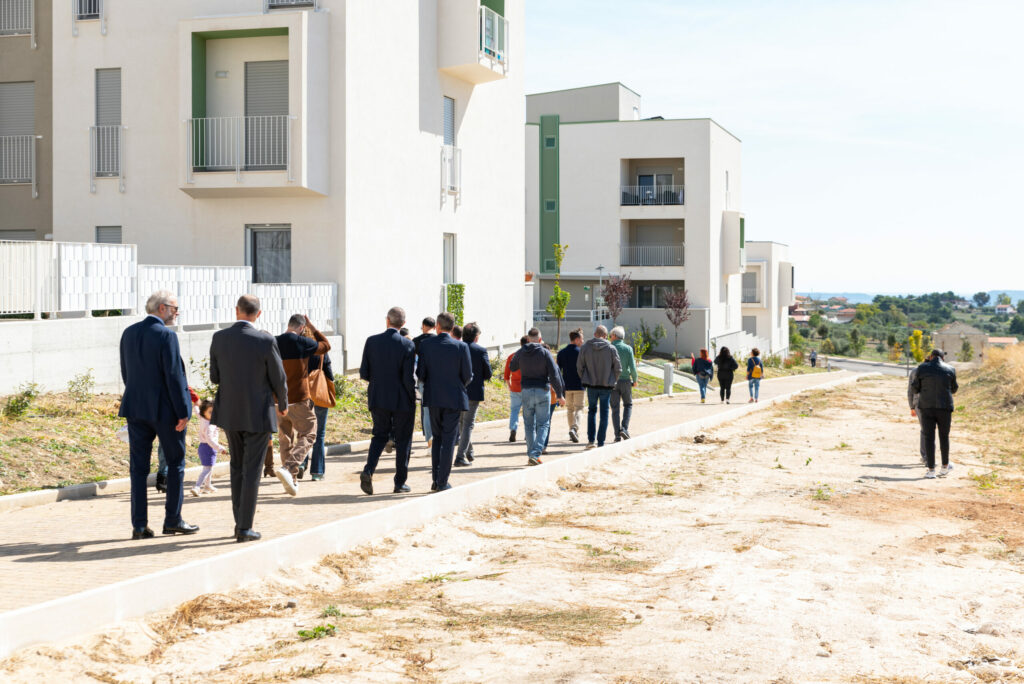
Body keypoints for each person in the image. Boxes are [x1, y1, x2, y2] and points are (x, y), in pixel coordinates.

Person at [119, 290, 198, 540]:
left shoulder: (129, 333)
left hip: (136, 409)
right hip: (166, 411)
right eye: (175, 308)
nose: (177, 313)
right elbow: (175, 377)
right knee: (175, 463)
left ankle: (139, 526)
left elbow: (126, 372)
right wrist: (184, 411)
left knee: (138, 469)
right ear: (162, 308)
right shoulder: (166, 335)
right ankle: (173, 520)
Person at [209, 294, 289, 543]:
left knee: (237, 467)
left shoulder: (219, 338)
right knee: (252, 470)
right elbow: (279, 377)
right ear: (259, 314)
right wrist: (283, 403)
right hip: (257, 412)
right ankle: (244, 528)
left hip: (230, 411)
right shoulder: (265, 340)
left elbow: (214, 377)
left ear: (237, 311)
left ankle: (239, 523)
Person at [358, 306, 417, 495]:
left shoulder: (372, 341)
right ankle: (399, 482)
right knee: (403, 440)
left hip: (378, 396)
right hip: (401, 399)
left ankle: (368, 470)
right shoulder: (408, 345)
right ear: (404, 324)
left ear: (387, 321)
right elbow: (408, 378)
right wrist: (411, 396)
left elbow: (364, 372)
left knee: (379, 436)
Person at [275, 314, 331, 494]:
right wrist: (313, 328)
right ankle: (289, 467)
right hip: (299, 398)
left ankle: (290, 480)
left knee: (286, 439)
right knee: (309, 433)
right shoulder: (302, 342)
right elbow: (326, 346)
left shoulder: (274, 342)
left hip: (277, 400)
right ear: (301, 327)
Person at [417, 311, 472, 491]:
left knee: (437, 438)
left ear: (438, 326)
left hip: (433, 396)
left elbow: (421, 374)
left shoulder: (426, 345)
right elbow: (467, 375)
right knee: (449, 440)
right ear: (453, 327)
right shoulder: (461, 347)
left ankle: (436, 479)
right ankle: (442, 481)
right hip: (454, 397)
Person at [510, 329, 564, 465]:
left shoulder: (521, 351)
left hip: (526, 390)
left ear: (528, 339)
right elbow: (554, 375)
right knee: (543, 424)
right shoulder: (545, 353)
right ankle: (534, 453)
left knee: (529, 424)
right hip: (542, 390)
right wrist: (559, 394)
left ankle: (531, 454)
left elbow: (512, 367)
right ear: (540, 340)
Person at [911, 349, 958, 479]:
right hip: (945, 407)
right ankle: (944, 467)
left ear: (931, 356)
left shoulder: (922, 368)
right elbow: (954, 389)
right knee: (944, 437)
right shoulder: (950, 369)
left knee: (928, 437)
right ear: (943, 358)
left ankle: (931, 470)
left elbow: (915, 388)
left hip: (926, 407)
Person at [577, 325, 621, 450]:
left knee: (592, 411)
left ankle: (591, 440)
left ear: (595, 333)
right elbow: (618, 368)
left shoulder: (585, 347)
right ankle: (601, 441)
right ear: (605, 336)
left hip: (591, 384)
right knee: (604, 413)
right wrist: (612, 380)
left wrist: (585, 378)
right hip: (606, 385)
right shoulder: (611, 349)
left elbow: (579, 366)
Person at [455, 322, 491, 467]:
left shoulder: (456, 347)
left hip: (457, 390)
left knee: (462, 423)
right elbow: (488, 372)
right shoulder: (481, 350)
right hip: (474, 391)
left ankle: (469, 451)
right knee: (468, 424)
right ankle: (460, 456)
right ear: (476, 337)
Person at [299, 349, 333, 481]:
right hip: (319, 394)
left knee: (304, 431)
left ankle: (301, 462)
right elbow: (329, 372)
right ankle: (317, 472)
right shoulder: (321, 351)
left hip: (302, 394)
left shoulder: (300, 349)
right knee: (319, 434)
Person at [608, 326, 637, 441]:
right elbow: (633, 367)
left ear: (614, 336)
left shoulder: (609, 348)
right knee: (628, 405)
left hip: (612, 382)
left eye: (611, 336)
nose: (610, 338)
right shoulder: (628, 349)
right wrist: (635, 379)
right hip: (625, 381)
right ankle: (624, 429)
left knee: (615, 408)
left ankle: (616, 435)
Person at [556, 329, 586, 443]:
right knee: (579, 408)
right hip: (579, 385)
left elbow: (557, 371)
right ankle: (574, 428)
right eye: (582, 339)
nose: (583, 341)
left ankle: (571, 431)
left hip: (566, 385)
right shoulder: (581, 352)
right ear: (577, 339)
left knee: (570, 409)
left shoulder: (561, 352)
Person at [191, 399, 224, 497]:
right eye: (210, 412)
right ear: (204, 412)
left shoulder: (202, 418)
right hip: (209, 447)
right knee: (207, 469)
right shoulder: (211, 425)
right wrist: (220, 448)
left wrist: (196, 404)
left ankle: (207, 486)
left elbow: (197, 412)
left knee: (208, 467)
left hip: (203, 447)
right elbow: (210, 439)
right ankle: (197, 487)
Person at [412, 317, 436, 447]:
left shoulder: (416, 341)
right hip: (437, 380)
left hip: (422, 379)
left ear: (423, 325)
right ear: (435, 326)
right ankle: (437, 438)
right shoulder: (438, 340)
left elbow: (413, 362)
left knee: (426, 410)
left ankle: (429, 441)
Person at [504, 336, 528, 442]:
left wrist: (509, 385)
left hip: (515, 387)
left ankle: (513, 429)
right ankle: (528, 433)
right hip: (527, 387)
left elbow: (506, 375)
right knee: (529, 412)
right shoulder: (530, 356)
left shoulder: (512, 356)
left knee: (514, 410)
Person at [907, 363, 927, 465]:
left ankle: (925, 456)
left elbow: (910, 390)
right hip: (931, 404)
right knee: (928, 430)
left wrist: (911, 406)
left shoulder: (915, 371)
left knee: (925, 429)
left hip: (918, 404)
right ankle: (927, 456)